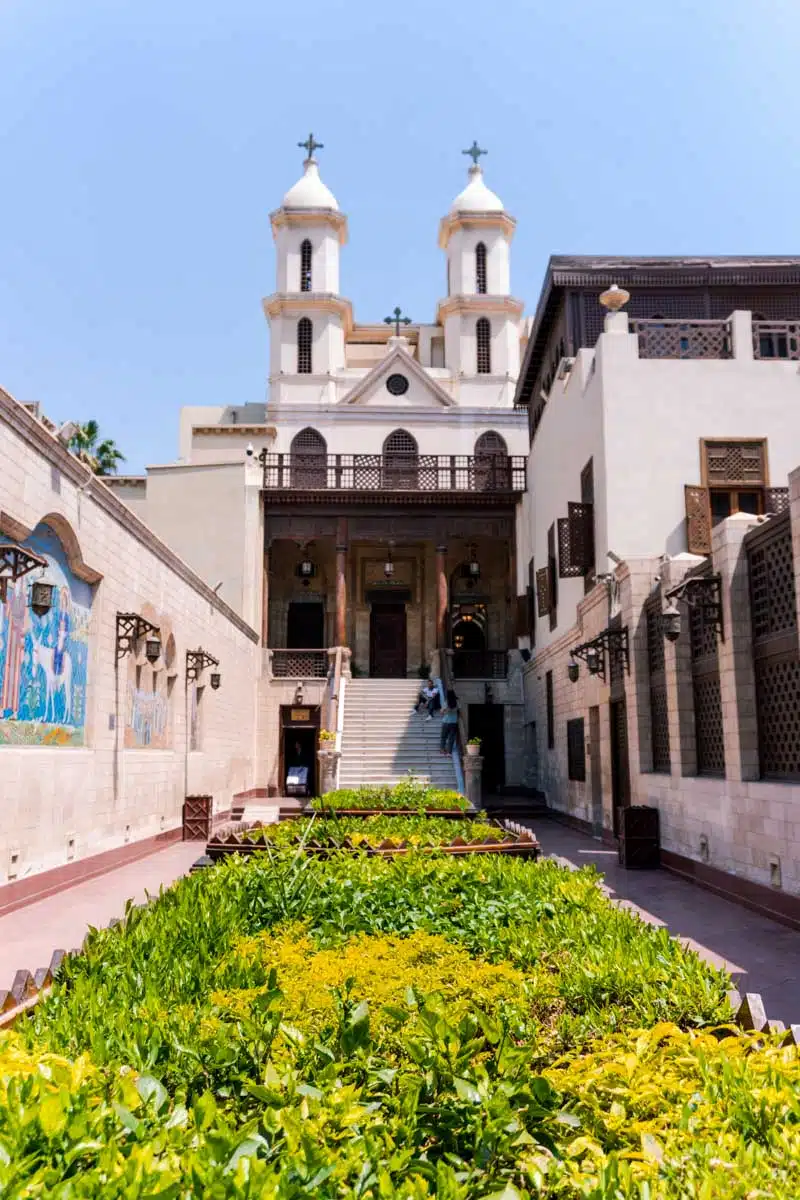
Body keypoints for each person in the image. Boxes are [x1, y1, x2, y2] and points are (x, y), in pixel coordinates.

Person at [440, 689, 459, 754]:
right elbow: (459, 710)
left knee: (443, 737)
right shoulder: (457, 702)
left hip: (445, 722)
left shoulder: (446, 702)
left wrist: (445, 711)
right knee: (451, 738)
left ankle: (442, 749)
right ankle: (449, 751)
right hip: (454, 722)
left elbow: (441, 712)